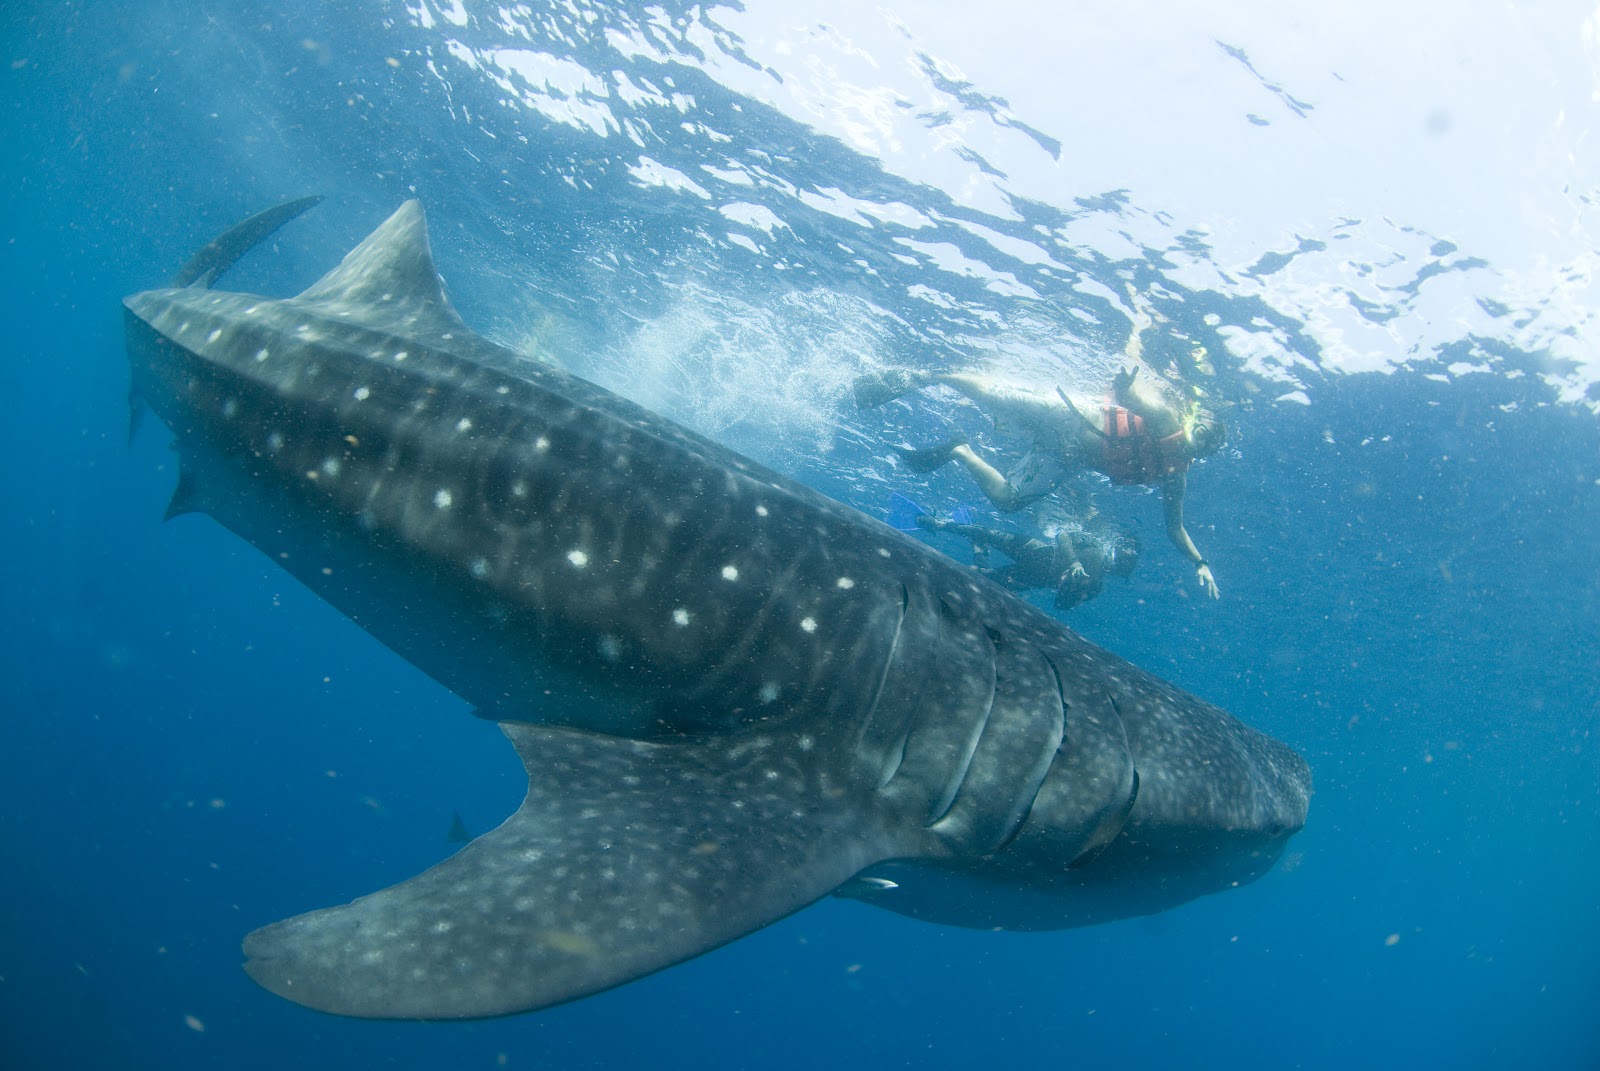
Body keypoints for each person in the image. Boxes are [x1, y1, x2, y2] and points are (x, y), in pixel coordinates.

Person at [854, 307, 1226, 597]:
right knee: (994, 394)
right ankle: (925, 376)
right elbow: (1136, 399)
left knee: (1008, 501)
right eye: (1200, 435)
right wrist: (1127, 388)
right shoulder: (1165, 421)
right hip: (1073, 416)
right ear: (1193, 424)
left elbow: (1174, 526)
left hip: (1066, 458)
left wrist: (1200, 562)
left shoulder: (1176, 473)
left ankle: (960, 450)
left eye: (1203, 448)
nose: (1193, 444)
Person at [913, 507, 1140, 610]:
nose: (1117, 567)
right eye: (1122, 563)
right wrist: (1073, 562)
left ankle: (978, 550)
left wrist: (1070, 589)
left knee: (982, 580)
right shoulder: (1096, 546)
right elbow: (1063, 537)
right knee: (986, 533)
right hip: (1038, 551)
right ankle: (941, 524)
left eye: (1122, 569)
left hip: (1031, 577)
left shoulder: (1094, 588)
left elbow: (1060, 606)